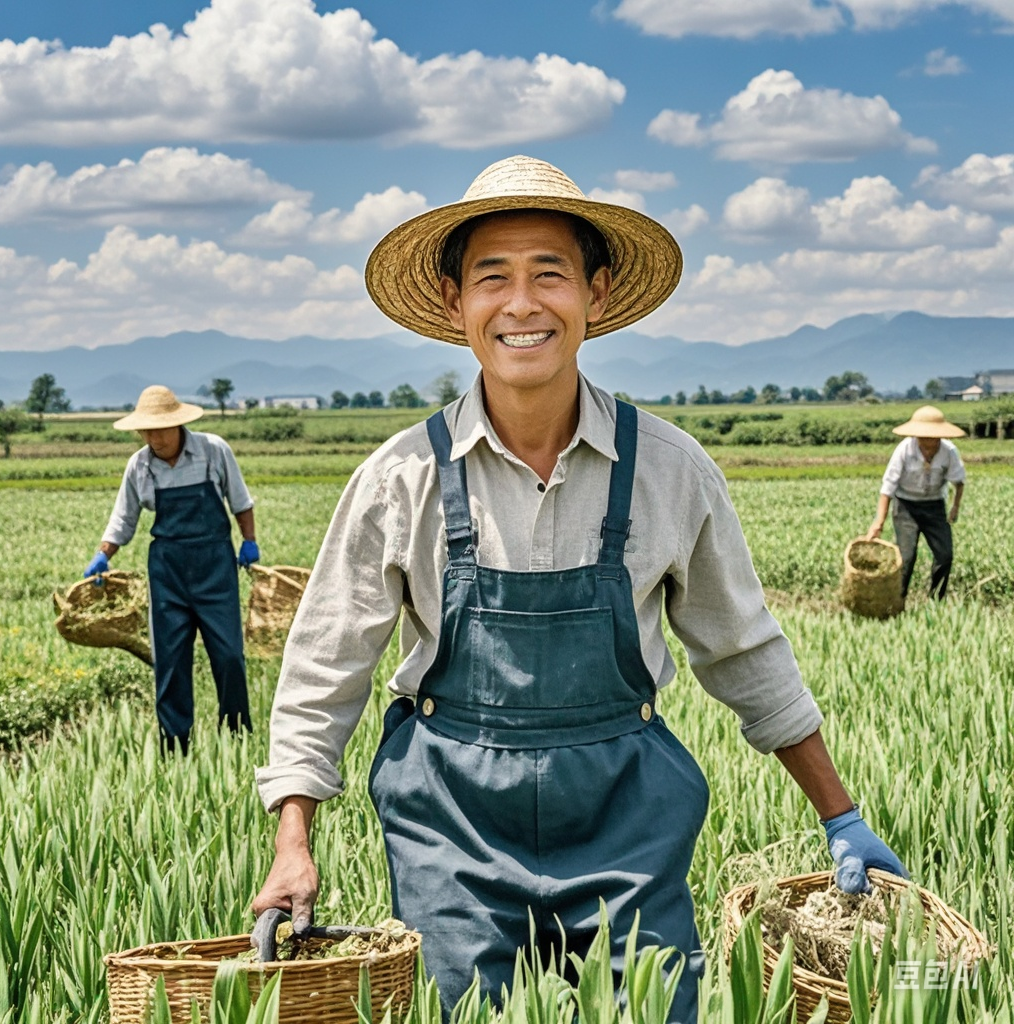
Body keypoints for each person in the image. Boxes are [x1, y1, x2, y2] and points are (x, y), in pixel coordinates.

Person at [252, 156, 906, 1021]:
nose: (522, 303)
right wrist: (291, 837)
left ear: (595, 295)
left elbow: (742, 648)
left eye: (549, 274)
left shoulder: (668, 469)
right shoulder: (398, 478)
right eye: (493, 277)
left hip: (625, 816)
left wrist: (840, 815)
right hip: (451, 825)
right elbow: (324, 666)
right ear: (455, 305)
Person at [84, 384, 259, 753]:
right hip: (168, 574)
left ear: (178, 425)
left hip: (216, 569)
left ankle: (237, 736)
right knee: (170, 662)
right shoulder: (140, 466)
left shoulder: (213, 451)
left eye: (158, 429)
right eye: (146, 431)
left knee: (228, 656)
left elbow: (240, 501)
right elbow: (124, 518)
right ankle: (175, 745)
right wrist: (104, 554)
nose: (152, 438)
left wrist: (248, 540)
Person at [865, 405, 966, 600]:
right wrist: (878, 522)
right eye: (923, 436)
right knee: (906, 557)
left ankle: (936, 600)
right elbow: (888, 488)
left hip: (934, 505)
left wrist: (955, 507)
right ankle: (897, 600)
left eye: (932, 437)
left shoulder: (949, 452)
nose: (927, 441)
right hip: (906, 507)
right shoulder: (904, 450)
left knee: (945, 555)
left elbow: (959, 482)